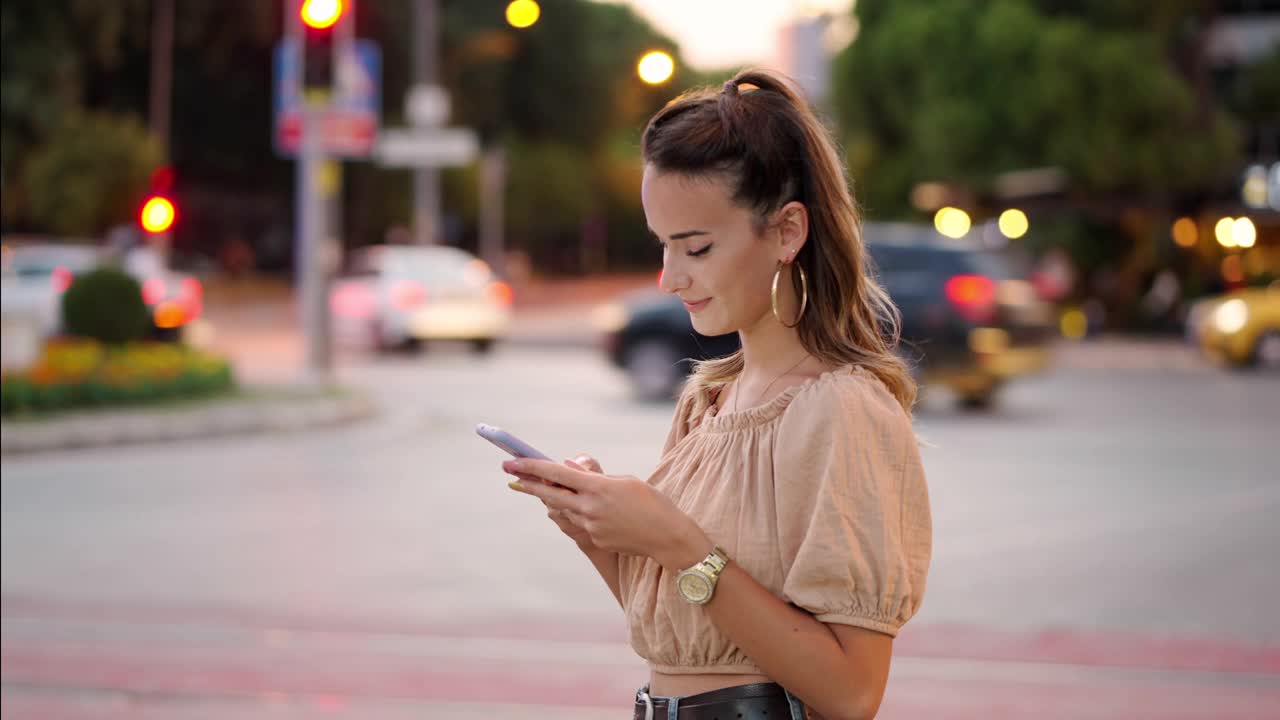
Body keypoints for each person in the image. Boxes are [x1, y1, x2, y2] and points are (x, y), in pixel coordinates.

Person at [503, 69, 932, 720]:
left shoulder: (839, 408)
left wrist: (678, 542)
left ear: (787, 232)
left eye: (696, 247)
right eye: (664, 246)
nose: (670, 277)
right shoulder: (708, 400)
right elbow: (693, 635)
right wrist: (600, 533)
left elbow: (852, 693)